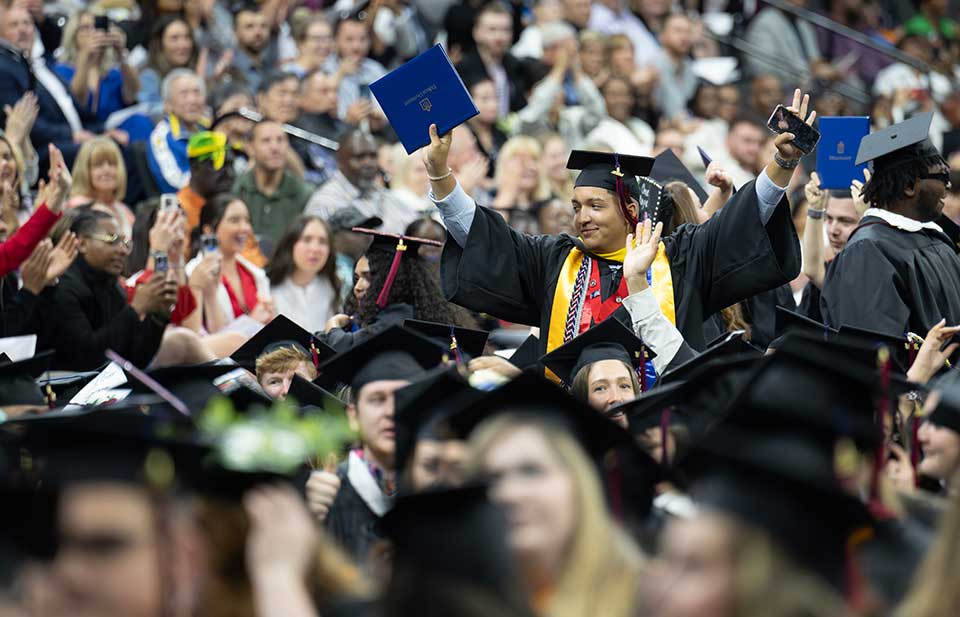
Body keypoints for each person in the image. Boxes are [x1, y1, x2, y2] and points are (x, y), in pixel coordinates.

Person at [426, 89, 810, 361]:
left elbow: (741, 222)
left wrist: (782, 163)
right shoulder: (555, 260)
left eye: (595, 205)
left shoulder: (678, 256)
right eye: (576, 206)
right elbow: (481, 235)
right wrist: (441, 174)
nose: (582, 217)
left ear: (628, 209)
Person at [460, 396, 646, 616]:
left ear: (579, 482)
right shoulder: (450, 603)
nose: (507, 493)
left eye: (531, 471)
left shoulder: (650, 598)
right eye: (490, 479)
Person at [308, 326, 448, 562]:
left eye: (403, 397)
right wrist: (309, 523)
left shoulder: (445, 489)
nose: (390, 411)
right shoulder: (325, 497)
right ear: (353, 416)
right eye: (377, 400)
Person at [821, 112, 960, 337]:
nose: (947, 186)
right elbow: (874, 352)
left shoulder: (936, 239)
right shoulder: (867, 250)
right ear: (908, 185)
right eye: (942, 177)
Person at [36, 208, 177, 370]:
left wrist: (157, 317)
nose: (123, 250)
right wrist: (135, 308)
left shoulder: (112, 286)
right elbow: (86, 357)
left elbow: (134, 359)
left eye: (125, 243)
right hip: (62, 388)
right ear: (82, 244)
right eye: (112, 239)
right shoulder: (61, 286)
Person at [320, 230, 460, 351]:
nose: (358, 287)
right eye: (357, 278)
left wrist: (333, 326)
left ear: (393, 280)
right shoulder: (369, 314)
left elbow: (345, 348)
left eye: (369, 277)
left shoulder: (399, 318)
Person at [0, 4, 102, 168]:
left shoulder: (43, 65)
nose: (23, 30)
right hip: (44, 149)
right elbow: (28, 124)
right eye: (14, 25)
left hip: (74, 138)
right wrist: (73, 135)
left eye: (27, 23)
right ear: (2, 35)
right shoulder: (5, 70)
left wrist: (102, 131)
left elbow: (75, 107)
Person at [186, 194, 275, 331]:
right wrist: (251, 324)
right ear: (209, 230)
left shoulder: (254, 274)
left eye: (247, 220)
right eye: (234, 220)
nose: (244, 228)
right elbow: (201, 337)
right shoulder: (193, 274)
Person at [306, 130, 419, 234]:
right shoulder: (325, 202)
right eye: (360, 157)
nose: (368, 163)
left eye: (373, 156)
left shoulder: (384, 196)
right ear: (340, 160)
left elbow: (415, 226)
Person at [232, 120, 312, 254]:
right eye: (266, 141)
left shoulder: (303, 194)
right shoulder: (237, 191)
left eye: (280, 140)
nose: (275, 147)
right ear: (250, 148)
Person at [54, 10, 140, 130]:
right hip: (78, 134)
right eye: (85, 28)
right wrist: (84, 56)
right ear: (73, 35)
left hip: (116, 134)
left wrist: (120, 53)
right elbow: (77, 101)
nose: (93, 33)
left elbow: (131, 94)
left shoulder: (113, 73)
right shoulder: (62, 70)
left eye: (97, 27)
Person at [799, 171, 867, 320]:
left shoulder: (884, 274)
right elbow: (813, 270)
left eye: (845, 221)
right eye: (829, 219)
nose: (833, 230)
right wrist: (816, 208)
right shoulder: (836, 274)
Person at [267, 215, 341, 334]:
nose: (315, 249)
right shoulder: (267, 286)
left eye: (322, 241)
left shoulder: (333, 287)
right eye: (307, 239)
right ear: (290, 244)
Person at [456, 3, 528, 116]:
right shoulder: (461, 70)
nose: (499, 37)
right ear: (476, 32)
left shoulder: (515, 65)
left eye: (506, 30)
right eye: (492, 29)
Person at [146, 69, 207, 194]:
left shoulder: (207, 130)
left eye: (197, 93)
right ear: (168, 105)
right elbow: (176, 182)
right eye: (184, 94)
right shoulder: (161, 136)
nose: (193, 100)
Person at [321, 16, 387, 122]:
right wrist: (340, 74)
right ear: (336, 40)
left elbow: (391, 107)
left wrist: (380, 121)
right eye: (349, 39)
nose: (357, 46)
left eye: (363, 39)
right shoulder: (324, 69)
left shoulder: (375, 69)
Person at [67, 137, 135, 238]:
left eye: (112, 164)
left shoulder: (125, 211)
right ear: (85, 171)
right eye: (98, 165)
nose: (106, 170)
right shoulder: (75, 208)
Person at [292, 70, 348, 187]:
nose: (333, 97)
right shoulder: (299, 128)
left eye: (335, 91)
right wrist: (350, 124)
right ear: (301, 98)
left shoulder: (334, 121)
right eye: (324, 92)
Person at [137, 15, 198, 120]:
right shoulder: (149, 76)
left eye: (187, 37)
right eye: (175, 38)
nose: (183, 45)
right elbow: (145, 110)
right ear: (160, 43)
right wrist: (175, 108)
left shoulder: (192, 73)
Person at [230, 4, 281, 93]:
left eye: (263, 26)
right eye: (250, 26)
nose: (258, 32)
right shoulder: (229, 70)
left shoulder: (273, 68)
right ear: (236, 32)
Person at [654, 13, 696, 121]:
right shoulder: (655, 65)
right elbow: (672, 110)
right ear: (662, 36)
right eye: (678, 31)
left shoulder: (689, 65)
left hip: (685, 121)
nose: (684, 37)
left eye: (688, 32)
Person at [283, 14, 335, 78]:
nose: (324, 45)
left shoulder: (329, 72)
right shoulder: (287, 75)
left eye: (328, 39)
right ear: (301, 43)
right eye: (317, 39)